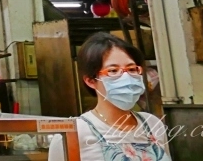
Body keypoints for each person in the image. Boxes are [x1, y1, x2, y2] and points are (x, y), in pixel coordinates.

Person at [48, 32, 170, 161]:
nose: (126, 77)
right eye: (113, 71)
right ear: (90, 80)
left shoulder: (152, 124)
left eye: (132, 69)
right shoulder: (74, 133)